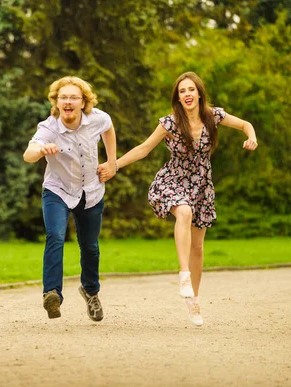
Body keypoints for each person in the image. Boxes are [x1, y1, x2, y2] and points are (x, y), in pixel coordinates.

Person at [98, 71, 258, 326]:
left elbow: (244, 124)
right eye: (182, 91)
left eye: (191, 90)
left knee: (198, 247)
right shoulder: (170, 123)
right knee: (184, 212)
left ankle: (193, 300)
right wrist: (114, 166)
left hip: (201, 185)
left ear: (199, 93)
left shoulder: (213, 116)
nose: (187, 94)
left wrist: (251, 137)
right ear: (178, 97)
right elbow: (143, 148)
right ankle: (183, 274)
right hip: (173, 179)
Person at [23, 76, 117, 322]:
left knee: (90, 246)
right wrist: (41, 150)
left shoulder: (97, 118)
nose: (68, 101)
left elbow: (108, 127)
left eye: (73, 97)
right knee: (55, 235)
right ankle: (52, 293)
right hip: (58, 190)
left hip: (91, 190)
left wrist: (112, 162)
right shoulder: (49, 127)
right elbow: (28, 154)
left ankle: (90, 290)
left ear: (83, 101)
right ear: (56, 101)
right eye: (63, 97)